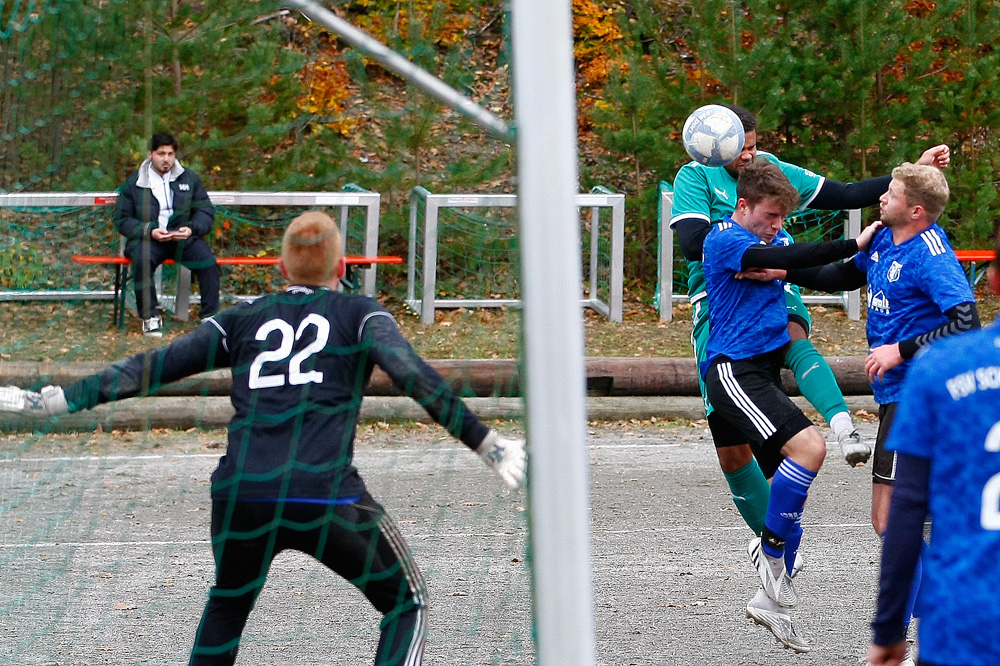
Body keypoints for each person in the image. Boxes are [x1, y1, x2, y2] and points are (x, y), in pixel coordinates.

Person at [0, 210, 527, 666]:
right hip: (326, 495)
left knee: (228, 604)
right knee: (406, 602)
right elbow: (413, 375)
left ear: (280, 268)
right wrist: (486, 442)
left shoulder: (243, 318)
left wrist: (58, 400)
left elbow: (153, 366)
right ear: (343, 270)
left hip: (241, 494)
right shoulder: (361, 314)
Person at [670, 103, 951, 541]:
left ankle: (842, 427)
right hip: (721, 298)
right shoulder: (696, 177)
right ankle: (774, 547)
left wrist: (914, 171)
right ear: (715, 148)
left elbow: (847, 193)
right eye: (739, 150)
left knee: (792, 336)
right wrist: (749, 253)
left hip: (778, 279)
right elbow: (691, 242)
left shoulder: (771, 172)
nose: (748, 156)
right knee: (733, 449)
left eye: (753, 145)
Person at [769, 163, 978, 664]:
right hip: (897, 400)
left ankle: (921, 632)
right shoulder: (884, 237)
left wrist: (900, 351)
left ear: (917, 210)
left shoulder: (930, 254)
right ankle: (929, 626)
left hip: (917, 400)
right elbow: (841, 274)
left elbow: (967, 318)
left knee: (893, 520)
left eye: (891, 193)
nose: (880, 198)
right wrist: (779, 268)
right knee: (904, 520)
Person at [700, 160, 882, 652]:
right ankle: (770, 554)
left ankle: (770, 597)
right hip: (732, 373)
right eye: (771, 214)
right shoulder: (724, 240)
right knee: (810, 449)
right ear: (744, 206)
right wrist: (852, 242)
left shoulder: (774, 244)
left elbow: (826, 274)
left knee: (791, 486)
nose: (778, 225)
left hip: (760, 373)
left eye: (784, 218)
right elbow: (786, 252)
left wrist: (874, 256)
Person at [865, 222, 1000, 666]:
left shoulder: (941, 367)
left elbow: (906, 511)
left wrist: (887, 631)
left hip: (965, 623)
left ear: (993, 280)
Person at [115, 131, 221, 337]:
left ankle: (210, 318)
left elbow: (206, 211)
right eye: (161, 153)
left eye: (170, 154)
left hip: (182, 238)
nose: (166, 159)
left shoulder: (189, 178)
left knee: (208, 263)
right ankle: (150, 317)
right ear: (150, 154)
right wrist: (149, 230)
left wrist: (191, 228)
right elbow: (122, 219)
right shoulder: (135, 183)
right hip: (148, 239)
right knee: (142, 260)